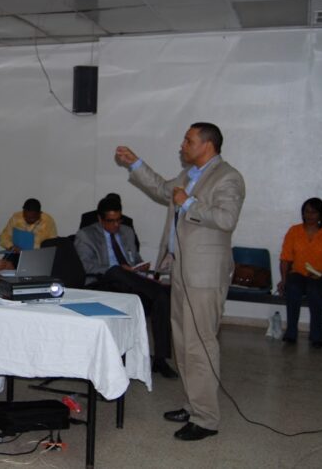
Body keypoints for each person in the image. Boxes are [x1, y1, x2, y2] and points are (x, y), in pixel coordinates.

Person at [116, 122, 245, 442]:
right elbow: (162, 188)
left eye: (188, 141)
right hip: (181, 271)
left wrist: (188, 202)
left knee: (201, 344)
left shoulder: (227, 177)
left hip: (204, 275)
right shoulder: (190, 176)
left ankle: (207, 418)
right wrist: (135, 163)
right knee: (184, 344)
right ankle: (193, 405)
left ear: (207, 145)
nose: (182, 145)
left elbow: (226, 219)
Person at [74, 195, 176, 378]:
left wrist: (140, 266)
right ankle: (153, 287)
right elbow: (86, 266)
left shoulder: (127, 231)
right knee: (117, 272)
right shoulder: (86, 235)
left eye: (118, 220)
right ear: (100, 219)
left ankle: (160, 360)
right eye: (110, 221)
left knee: (162, 297)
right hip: (102, 283)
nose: (115, 225)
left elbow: (134, 259)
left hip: (128, 283)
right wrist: (117, 269)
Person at [278, 197, 322, 348]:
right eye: (307, 212)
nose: (310, 215)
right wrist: (284, 280)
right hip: (297, 274)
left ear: (321, 215)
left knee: (315, 290)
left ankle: (317, 336)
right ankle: (291, 332)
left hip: (321, 276)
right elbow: (285, 259)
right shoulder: (294, 231)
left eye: (314, 212)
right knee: (293, 288)